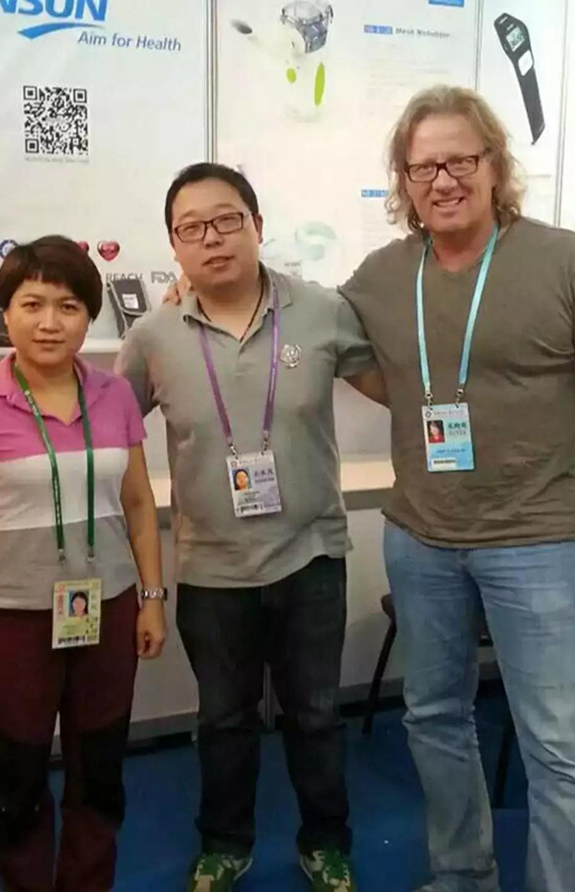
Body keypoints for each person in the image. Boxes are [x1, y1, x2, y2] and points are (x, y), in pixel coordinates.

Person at [340, 85, 575, 892]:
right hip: (420, 538)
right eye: (423, 166)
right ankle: (463, 875)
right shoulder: (382, 275)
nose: (444, 179)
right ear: (404, 180)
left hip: (539, 545)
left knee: (562, 750)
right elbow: (326, 342)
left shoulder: (566, 262)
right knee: (433, 721)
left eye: (461, 159)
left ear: (495, 165)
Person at [116, 162, 386, 892]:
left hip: (311, 554)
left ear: (258, 226)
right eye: (192, 227)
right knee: (225, 720)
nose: (212, 238)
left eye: (227, 219)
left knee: (316, 715)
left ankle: (325, 841)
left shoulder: (322, 311)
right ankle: (224, 844)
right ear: (174, 245)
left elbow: (392, 384)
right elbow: (107, 430)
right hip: (210, 565)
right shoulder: (153, 336)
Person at [0, 235, 168, 892]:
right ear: (6, 310)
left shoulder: (115, 395)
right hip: (10, 615)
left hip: (109, 608)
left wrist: (152, 598)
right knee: (17, 775)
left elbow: (138, 502)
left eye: (69, 306)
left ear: (88, 316)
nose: (50, 322)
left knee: (99, 769)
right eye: (32, 303)